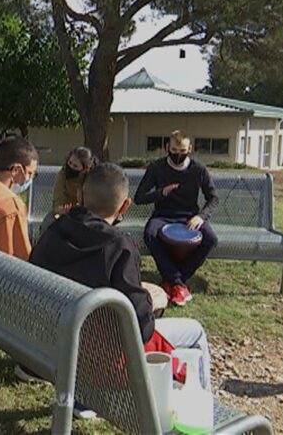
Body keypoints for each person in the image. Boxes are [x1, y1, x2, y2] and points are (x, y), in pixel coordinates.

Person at [30, 163, 213, 418]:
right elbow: (140, 328)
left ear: (80, 195)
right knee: (195, 332)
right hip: (104, 363)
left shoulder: (53, 232)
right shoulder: (119, 246)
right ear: (125, 206)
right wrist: (153, 300)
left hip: (49, 347)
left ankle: (83, 397)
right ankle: (202, 413)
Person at [134, 130, 218, 307]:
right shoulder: (156, 168)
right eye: (174, 150)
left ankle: (172, 280)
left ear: (190, 149)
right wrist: (161, 193)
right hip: (163, 216)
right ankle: (178, 284)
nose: (178, 155)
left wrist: (201, 216)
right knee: (150, 234)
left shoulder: (198, 169)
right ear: (167, 147)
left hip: (189, 217)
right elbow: (139, 197)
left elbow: (213, 198)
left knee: (210, 239)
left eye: (182, 151)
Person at [52, 146, 97, 215]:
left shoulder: (91, 179)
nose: (71, 167)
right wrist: (60, 209)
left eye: (75, 166)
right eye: (70, 162)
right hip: (66, 213)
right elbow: (58, 200)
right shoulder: (62, 175)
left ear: (85, 168)